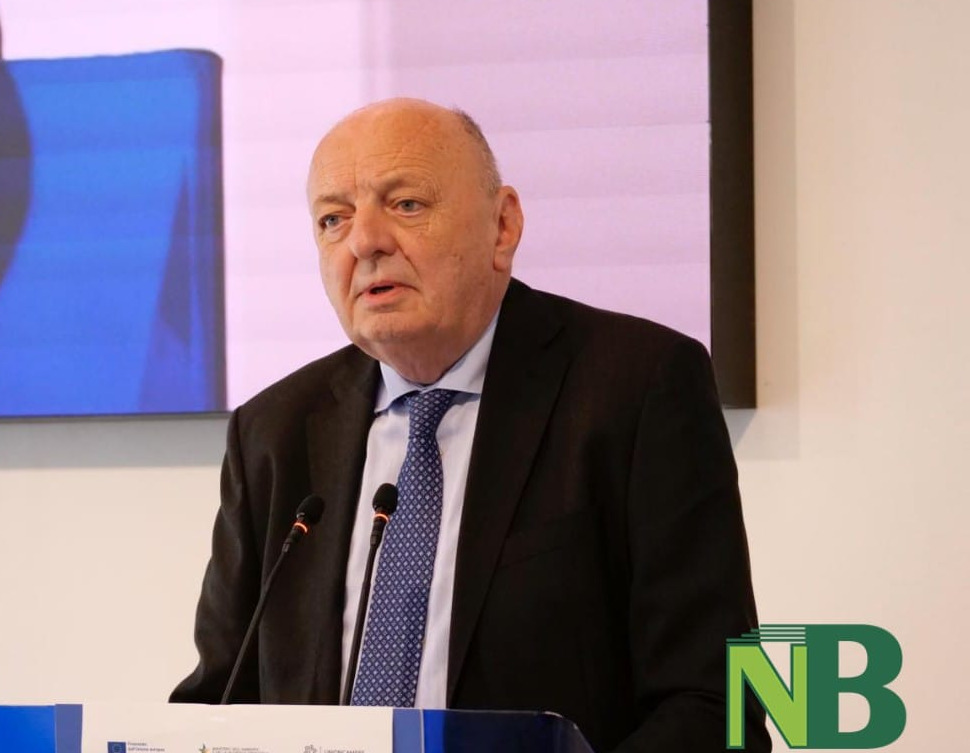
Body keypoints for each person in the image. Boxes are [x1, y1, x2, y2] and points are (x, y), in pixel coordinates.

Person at [171, 98, 770, 753]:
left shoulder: (636, 387)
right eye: (333, 219)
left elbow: (715, 705)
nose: (364, 242)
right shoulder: (273, 432)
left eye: (406, 204)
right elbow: (215, 709)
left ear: (503, 226)